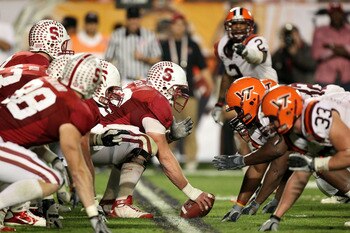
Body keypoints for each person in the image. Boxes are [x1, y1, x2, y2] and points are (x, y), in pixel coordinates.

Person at [0, 53, 111, 232]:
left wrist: (53, 158)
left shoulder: (44, 82)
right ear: (92, 81)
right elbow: (78, 170)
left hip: (6, 141)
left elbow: (28, 131)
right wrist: (94, 217)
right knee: (51, 179)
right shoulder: (75, 107)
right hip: (2, 143)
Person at [94, 61, 213, 217]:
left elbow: (151, 144)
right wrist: (193, 192)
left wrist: (169, 136)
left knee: (138, 145)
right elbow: (162, 154)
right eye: (177, 89)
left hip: (95, 140)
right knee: (142, 144)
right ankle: (122, 204)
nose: (179, 95)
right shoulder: (156, 100)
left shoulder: (140, 87)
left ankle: (108, 203)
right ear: (165, 86)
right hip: (96, 144)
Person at [255, 86, 350, 230]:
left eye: (272, 118)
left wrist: (315, 164)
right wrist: (276, 217)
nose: (270, 124)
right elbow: (300, 176)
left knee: (321, 164)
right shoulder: (296, 133)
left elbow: (348, 153)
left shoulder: (315, 114)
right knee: (322, 168)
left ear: (286, 110)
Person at [160, 13, 214, 171]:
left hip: (189, 92)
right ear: (171, 27)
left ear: (185, 27)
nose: (178, 28)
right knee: (169, 128)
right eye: (175, 25)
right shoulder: (163, 45)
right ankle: (166, 159)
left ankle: (191, 160)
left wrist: (211, 87)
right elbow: (158, 69)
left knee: (190, 128)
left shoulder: (192, 45)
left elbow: (203, 68)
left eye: (181, 25)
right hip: (169, 94)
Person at [105, 7, 162, 84]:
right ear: (126, 20)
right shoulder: (116, 35)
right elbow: (108, 59)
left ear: (140, 19)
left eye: (136, 18)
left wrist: (144, 58)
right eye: (130, 19)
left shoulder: (149, 35)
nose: (133, 21)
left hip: (144, 80)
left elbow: (158, 60)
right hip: (123, 81)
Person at [312, 2, 350, 90]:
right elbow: (316, 54)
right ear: (329, 15)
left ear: (342, 14)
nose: (336, 16)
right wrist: (342, 49)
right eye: (333, 13)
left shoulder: (349, 31)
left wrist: (331, 47)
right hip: (325, 80)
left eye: (338, 13)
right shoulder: (320, 31)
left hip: (347, 80)